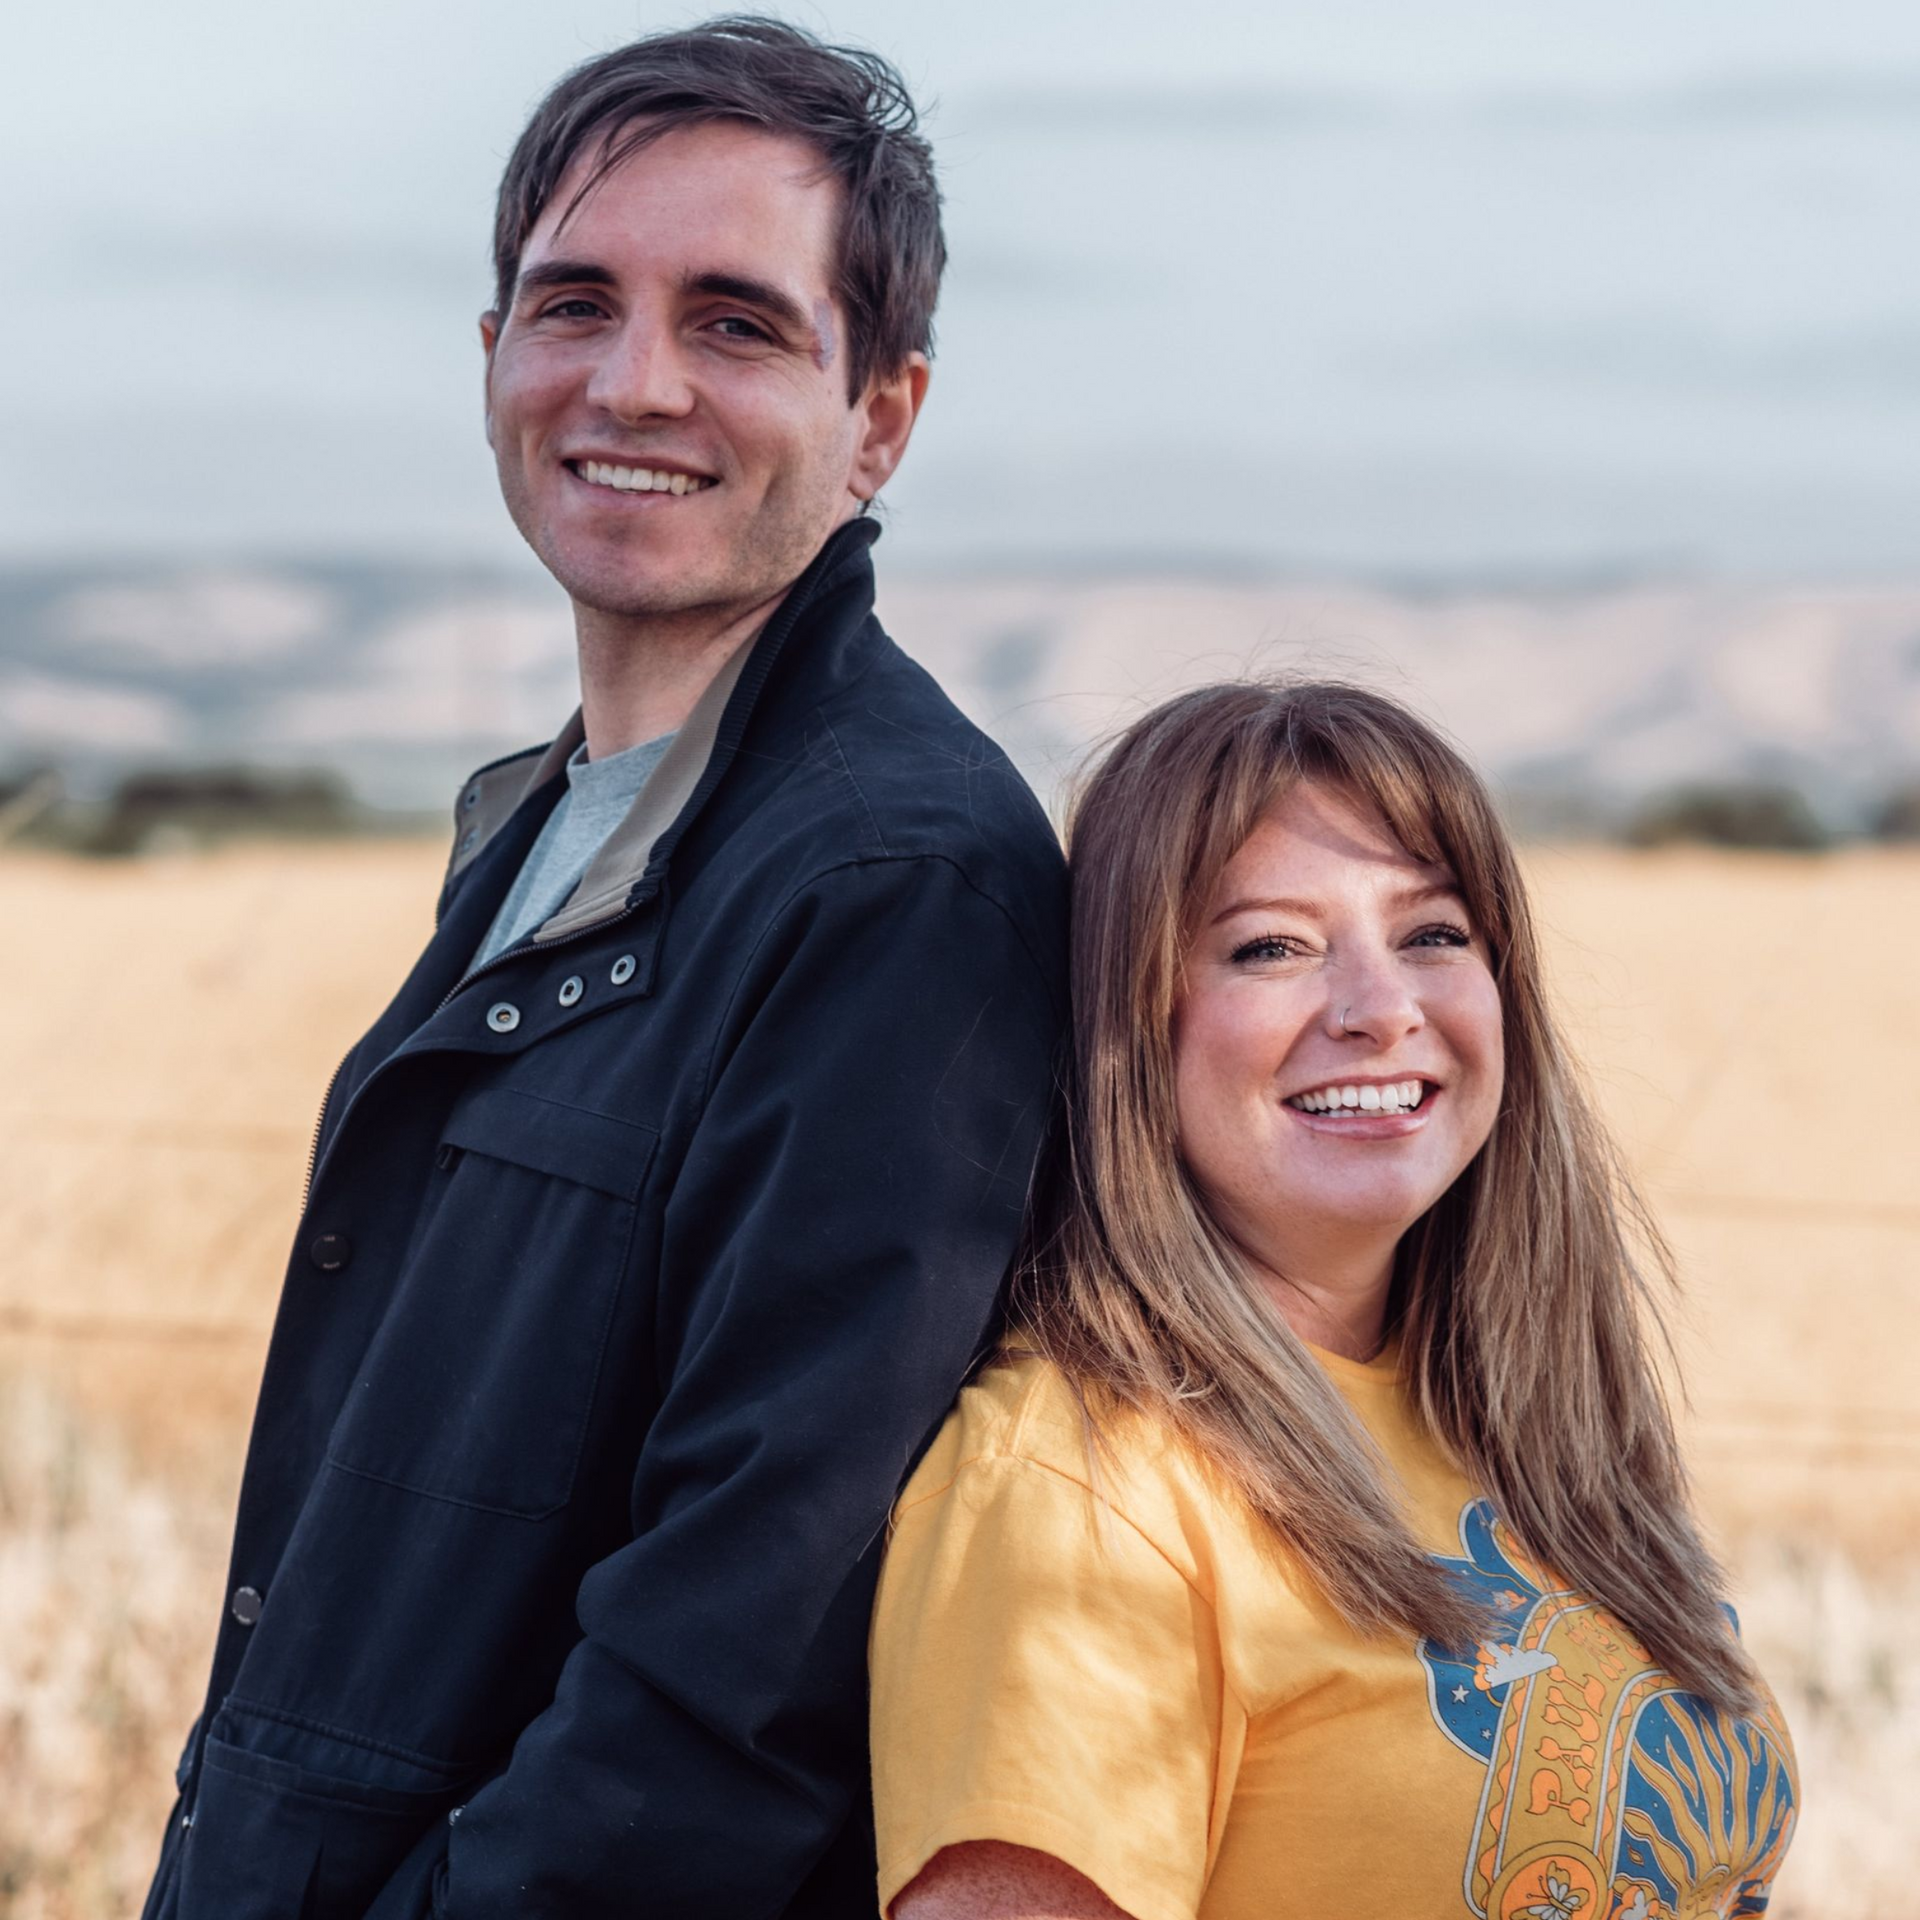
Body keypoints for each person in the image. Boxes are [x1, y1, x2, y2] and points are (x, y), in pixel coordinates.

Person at [143, 19, 1065, 1920]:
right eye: (575, 305)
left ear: (881, 417)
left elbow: (747, 1658)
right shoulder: (560, 826)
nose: (634, 383)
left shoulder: (894, 886)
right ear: (493, 356)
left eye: (737, 323)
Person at [870, 681, 1798, 1920]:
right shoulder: (1078, 1493)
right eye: (1271, 947)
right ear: (1131, 1029)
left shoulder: (1524, 1418)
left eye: (1434, 934)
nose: (1383, 1009)